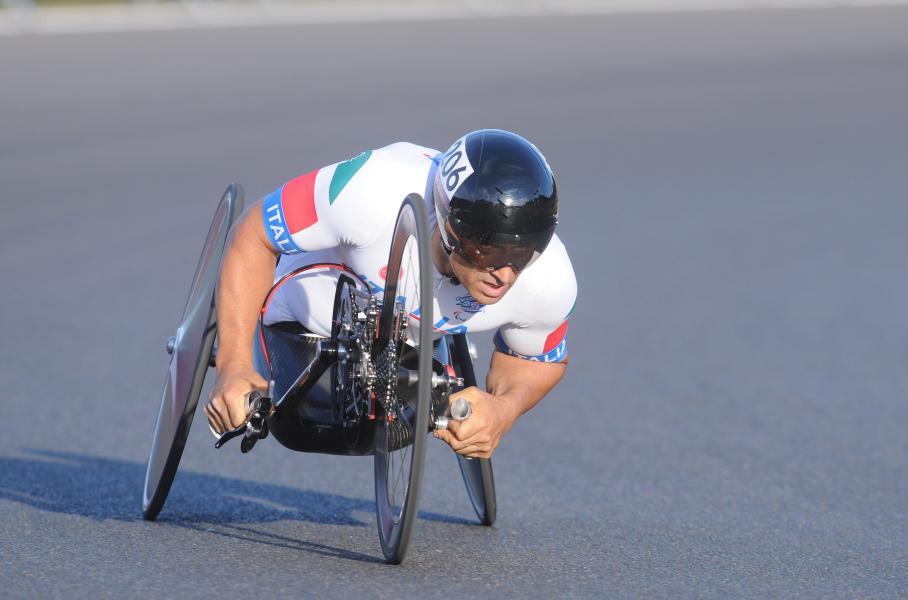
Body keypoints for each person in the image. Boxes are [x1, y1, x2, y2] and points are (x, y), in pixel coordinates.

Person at [204, 129, 577, 459]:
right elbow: (253, 234)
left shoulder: (549, 279)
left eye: (523, 254)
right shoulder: (372, 188)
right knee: (298, 421)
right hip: (305, 307)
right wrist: (233, 366)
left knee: (392, 425)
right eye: (487, 252)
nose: (505, 274)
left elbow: (536, 358)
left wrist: (502, 409)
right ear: (449, 228)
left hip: (409, 343)